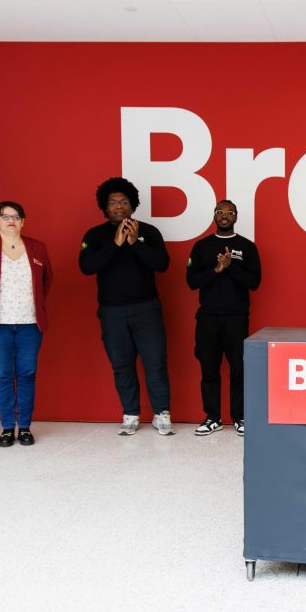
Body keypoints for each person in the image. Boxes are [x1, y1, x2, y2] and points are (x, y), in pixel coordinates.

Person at [79, 177, 173, 436]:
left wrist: (135, 243)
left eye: (124, 202)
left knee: (155, 362)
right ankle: (131, 414)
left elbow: (162, 264)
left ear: (133, 205)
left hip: (146, 309)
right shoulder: (95, 235)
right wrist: (116, 244)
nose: (119, 206)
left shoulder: (148, 232)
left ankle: (161, 414)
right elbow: (87, 267)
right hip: (112, 312)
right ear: (104, 207)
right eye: (113, 202)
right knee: (121, 364)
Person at [0, 201, 53, 447]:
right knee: (3, 375)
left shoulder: (37, 247)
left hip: (30, 323)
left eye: (16, 216)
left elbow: (46, 280)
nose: (10, 220)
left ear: (23, 221)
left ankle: (24, 427)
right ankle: (6, 428)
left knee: (27, 375)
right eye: (5, 216)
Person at [187, 199, 261, 437]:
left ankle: (239, 417)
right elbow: (191, 281)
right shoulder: (201, 246)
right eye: (220, 211)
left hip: (236, 319)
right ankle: (212, 418)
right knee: (209, 369)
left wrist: (231, 267)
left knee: (239, 369)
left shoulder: (247, 247)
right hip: (207, 319)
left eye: (230, 212)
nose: (225, 215)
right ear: (214, 216)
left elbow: (254, 282)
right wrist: (216, 271)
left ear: (236, 217)